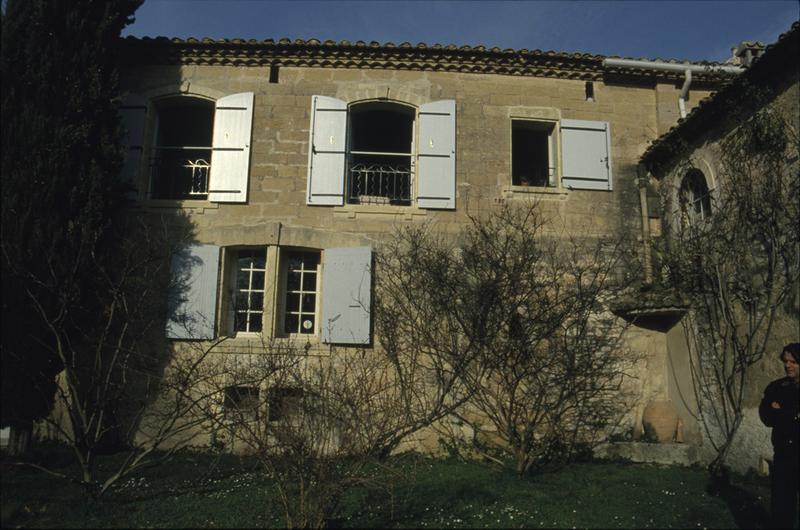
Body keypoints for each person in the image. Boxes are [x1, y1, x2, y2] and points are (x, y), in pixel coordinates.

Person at [759, 342, 800, 529]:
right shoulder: (776, 387)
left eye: (793, 362)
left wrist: (781, 412)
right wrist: (791, 414)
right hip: (784, 454)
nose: (788, 365)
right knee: (782, 504)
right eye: (786, 361)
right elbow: (766, 416)